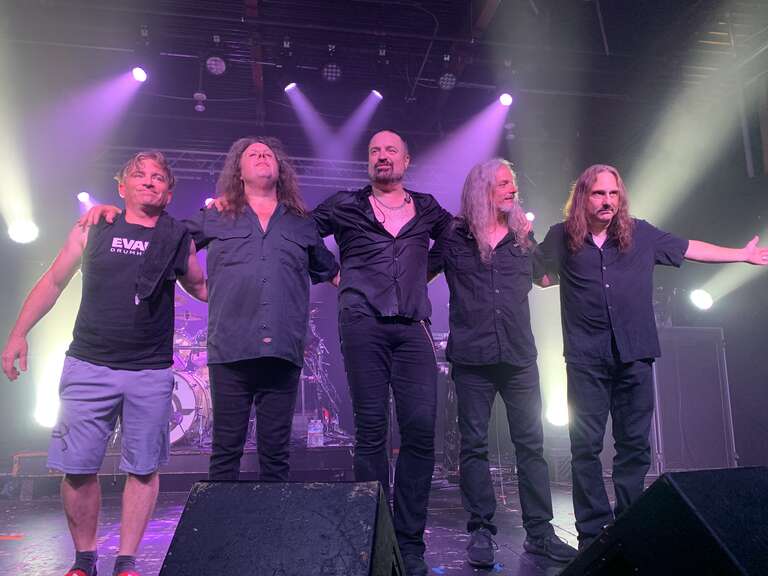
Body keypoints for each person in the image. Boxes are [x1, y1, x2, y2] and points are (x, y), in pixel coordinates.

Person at [82, 137, 339, 483]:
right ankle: (222, 519)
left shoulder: (300, 223)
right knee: (225, 453)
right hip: (230, 349)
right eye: (252, 154)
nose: (262, 156)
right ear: (239, 171)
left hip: (283, 349)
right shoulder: (217, 214)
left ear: (280, 170)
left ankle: (274, 518)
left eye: (268, 154)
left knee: (277, 456)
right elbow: (167, 238)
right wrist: (114, 216)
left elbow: (331, 271)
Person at [537, 163, 768, 549]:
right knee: (586, 447)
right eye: (599, 193)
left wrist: (741, 255)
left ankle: (630, 525)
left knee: (634, 446)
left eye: (613, 193)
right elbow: (538, 274)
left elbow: (689, 248)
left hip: (635, 354)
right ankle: (593, 532)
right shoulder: (561, 236)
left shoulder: (639, 233)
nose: (608, 200)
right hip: (586, 357)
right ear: (582, 197)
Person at [1, 151, 206, 576]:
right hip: (89, 364)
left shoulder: (177, 238)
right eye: (139, 175)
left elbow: (202, 287)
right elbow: (53, 281)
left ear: (169, 193)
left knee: (143, 468)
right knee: (76, 468)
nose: (148, 181)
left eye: (158, 177)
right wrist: (18, 333)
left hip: (150, 370)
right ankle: (84, 560)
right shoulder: (94, 226)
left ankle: (127, 562)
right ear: (122, 187)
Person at [312, 129, 452, 576]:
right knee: (371, 432)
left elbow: (455, 238)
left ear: (406, 160)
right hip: (362, 324)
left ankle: (409, 544)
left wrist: (422, 272)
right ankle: (377, 538)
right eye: (374, 151)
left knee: (419, 431)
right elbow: (302, 231)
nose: (382, 156)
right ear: (368, 161)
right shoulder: (346, 205)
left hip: (413, 326)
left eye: (391, 150)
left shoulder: (427, 208)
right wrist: (334, 273)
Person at [428, 158, 577, 567]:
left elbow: (546, 277)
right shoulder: (454, 236)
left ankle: (540, 534)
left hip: (518, 355)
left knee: (530, 445)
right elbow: (419, 274)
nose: (513, 189)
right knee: (474, 446)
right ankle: (480, 531)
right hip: (472, 357)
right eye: (504, 183)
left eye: (513, 183)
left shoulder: (522, 237)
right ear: (482, 190)